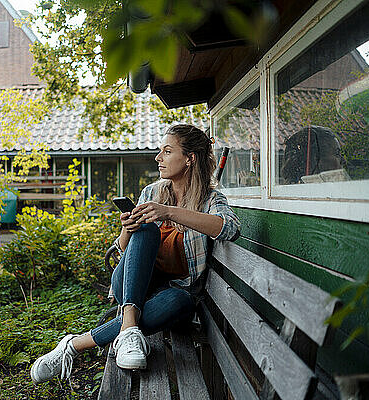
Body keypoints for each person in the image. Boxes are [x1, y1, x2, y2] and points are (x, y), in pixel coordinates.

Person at [30, 124, 241, 383]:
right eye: (159, 151)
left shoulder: (211, 200)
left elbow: (229, 228)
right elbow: (122, 249)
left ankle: (73, 346)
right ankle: (128, 327)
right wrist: (127, 230)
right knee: (146, 229)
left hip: (174, 292)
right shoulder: (151, 192)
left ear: (189, 158)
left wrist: (169, 212)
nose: (158, 158)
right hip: (132, 284)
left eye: (167, 151)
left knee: (181, 303)